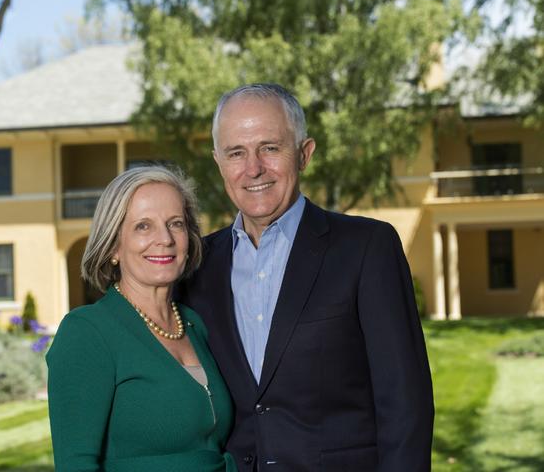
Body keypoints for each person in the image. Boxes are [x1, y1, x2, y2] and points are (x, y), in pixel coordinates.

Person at [178, 83, 434, 471]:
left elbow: (406, 406)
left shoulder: (366, 248)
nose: (253, 168)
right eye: (236, 153)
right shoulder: (196, 265)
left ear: (304, 153)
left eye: (270, 147)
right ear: (219, 163)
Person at [47, 166, 237, 471]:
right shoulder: (87, 333)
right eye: (143, 226)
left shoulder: (193, 324)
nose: (165, 239)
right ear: (113, 246)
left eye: (175, 223)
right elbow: (75, 464)